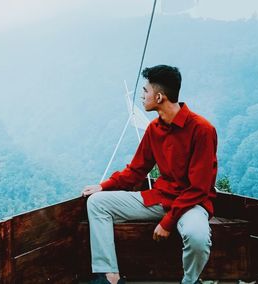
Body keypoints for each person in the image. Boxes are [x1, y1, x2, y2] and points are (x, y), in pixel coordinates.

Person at [81, 65, 217, 284]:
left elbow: (199, 188)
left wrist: (167, 222)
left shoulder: (202, 129)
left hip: (192, 204)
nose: (142, 96)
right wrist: (104, 187)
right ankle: (110, 276)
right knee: (97, 203)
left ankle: (190, 281)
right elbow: (136, 170)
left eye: (145, 91)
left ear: (160, 96)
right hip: (161, 198)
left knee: (197, 236)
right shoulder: (155, 128)